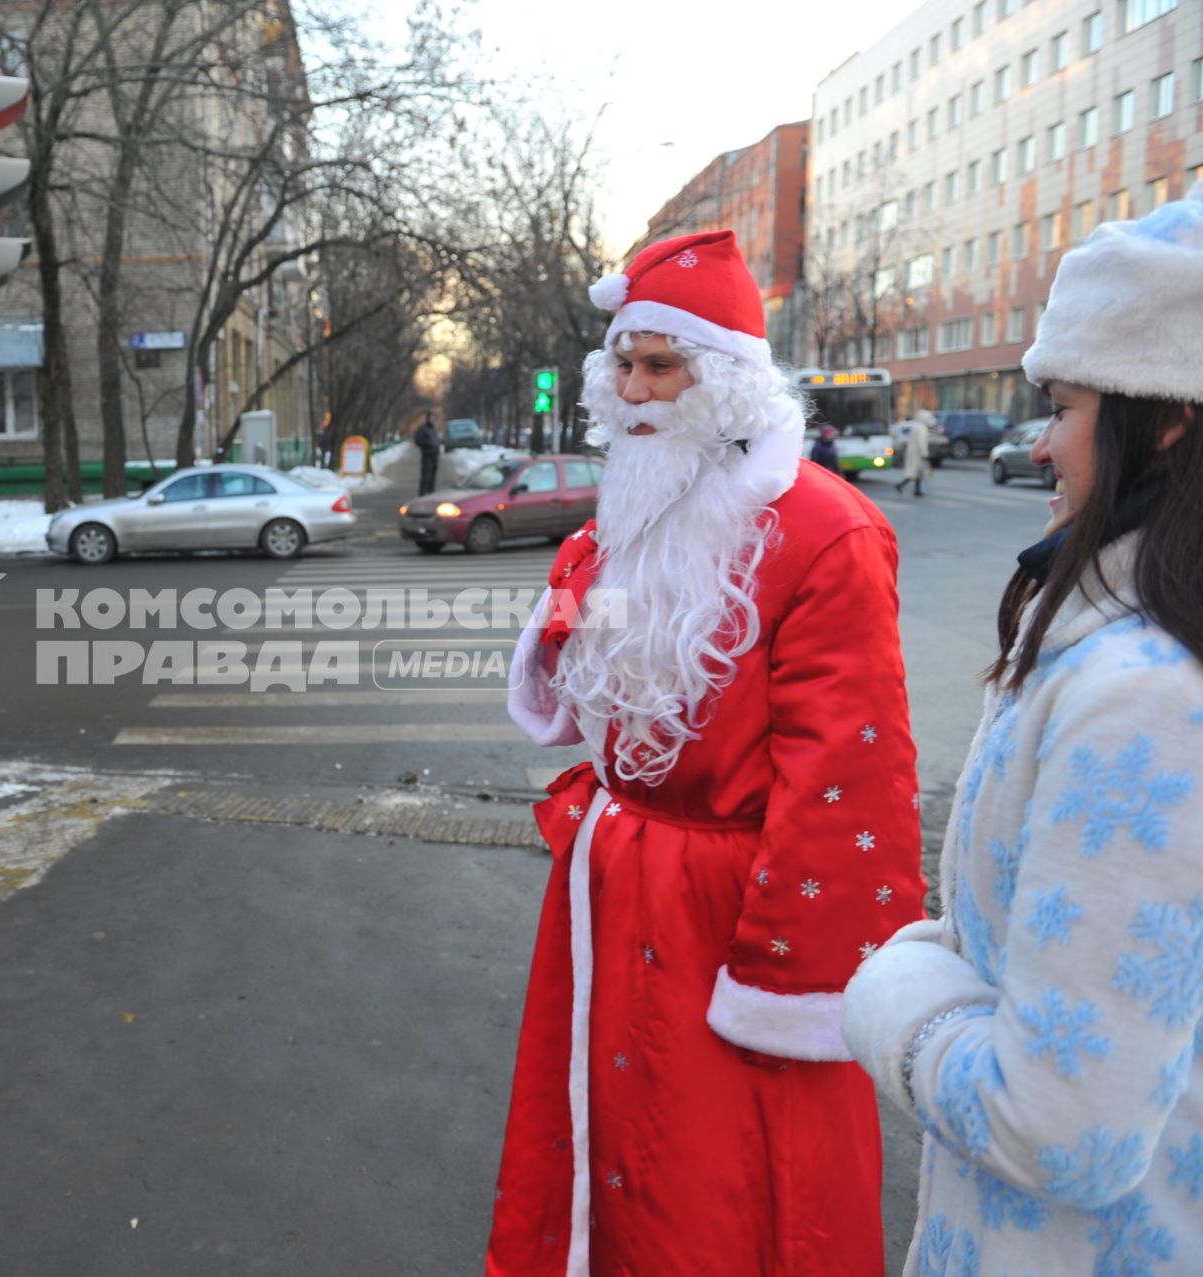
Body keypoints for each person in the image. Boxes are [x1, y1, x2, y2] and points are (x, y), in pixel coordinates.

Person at [495, 229, 924, 1276]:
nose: (635, 390)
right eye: (623, 365)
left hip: (733, 918)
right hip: (612, 891)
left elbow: (847, 774)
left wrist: (785, 975)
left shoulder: (828, 531)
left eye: (662, 364)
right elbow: (566, 697)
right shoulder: (607, 529)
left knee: (723, 1178)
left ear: (725, 377)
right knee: (600, 1139)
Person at [842, 188, 1203, 1276]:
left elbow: (1060, 1124)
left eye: (1063, 406)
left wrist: (888, 988)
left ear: (1167, 412)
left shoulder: (1144, 692)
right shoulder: (1128, 646)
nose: (1040, 445)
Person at [895, 408, 933, 496]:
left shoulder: (916, 426)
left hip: (912, 452)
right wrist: (925, 453)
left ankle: (917, 490)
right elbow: (921, 442)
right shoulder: (922, 428)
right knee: (914, 472)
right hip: (917, 453)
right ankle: (901, 485)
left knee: (917, 472)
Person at [413, 411, 442, 495]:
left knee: (433, 478)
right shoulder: (422, 429)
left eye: (434, 418)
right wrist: (428, 443)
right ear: (428, 418)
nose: (432, 419)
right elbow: (417, 441)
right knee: (426, 477)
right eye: (431, 417)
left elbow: (436, 440)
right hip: (427, 456)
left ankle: (431, 495)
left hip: (435, 456)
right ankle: (422, 495)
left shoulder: (433, 429)